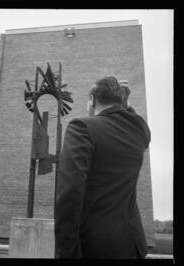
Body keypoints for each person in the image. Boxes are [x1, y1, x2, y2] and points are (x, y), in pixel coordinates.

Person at [55, 76, 151, 259]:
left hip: (96, 246)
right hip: (133, 245)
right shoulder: (138, 133)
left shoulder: (81, 128)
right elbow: (141, 127)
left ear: (92, 99)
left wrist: (66, 252)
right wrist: (127, 105)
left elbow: (69, 193)